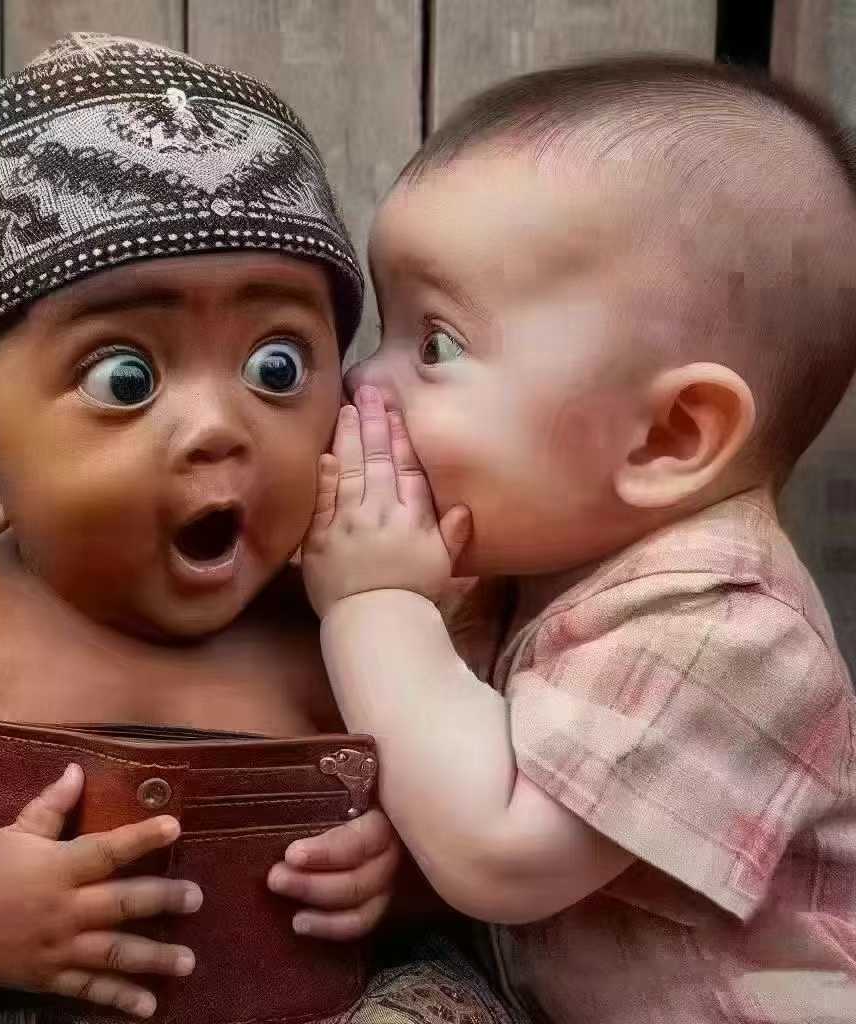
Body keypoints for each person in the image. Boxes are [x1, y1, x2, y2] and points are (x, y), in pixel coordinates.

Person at [0, 33, 511, 1024]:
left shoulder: (347, 636)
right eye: (127, 379)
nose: (219, 426)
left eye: (277, 366)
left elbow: (477, 832)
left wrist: (395, 870)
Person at [302, 57, 856, 1023]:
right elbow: (462, 784)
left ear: (669, 436)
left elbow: (500, 854)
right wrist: (404, 864)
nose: (362, 382)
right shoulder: (525, 570)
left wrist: (373, 605)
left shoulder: (731, 631)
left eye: (435, 345)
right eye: (384, 332)